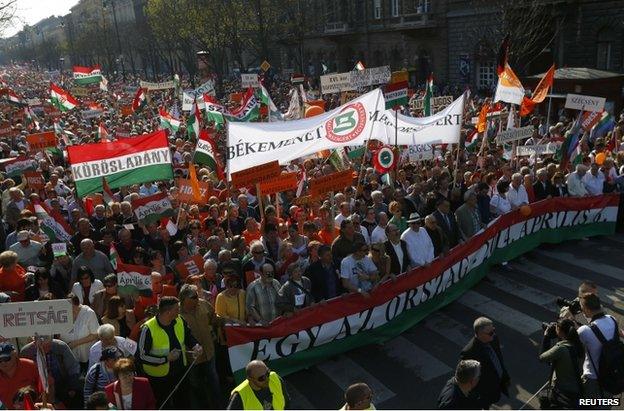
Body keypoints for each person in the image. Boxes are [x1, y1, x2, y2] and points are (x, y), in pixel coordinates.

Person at [137, 296, 202, 409]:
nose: (179, 311)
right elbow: (142, 356)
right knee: (164, 405)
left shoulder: (180, 320)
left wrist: (195, 346)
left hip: (181, 371)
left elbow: (188, 336)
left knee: (184, 403)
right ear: (168, 312)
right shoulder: (147, 328)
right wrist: (166, 359)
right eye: (177, 309)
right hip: (159, 378)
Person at [179, 284, 223, 408]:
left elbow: (214, 318)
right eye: (193, 297)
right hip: (192, 357)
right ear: (184, 299)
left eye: (197, 296)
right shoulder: (176, 313)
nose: (197, 298)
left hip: (209, 351)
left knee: (214, 382)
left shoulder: (203, 304)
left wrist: (222, 321)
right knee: (196, 385)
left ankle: (219, 407)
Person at [460, 317, 510, 408]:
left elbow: (499, 358)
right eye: (490, 333)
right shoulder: (469, 352)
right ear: (480, 334)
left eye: (493, 330)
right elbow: (467, 379)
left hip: (497, 384)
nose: (493, 334)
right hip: (485, 392)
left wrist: (504, 375)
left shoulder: (494, 338)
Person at [21, 335, 82, 408]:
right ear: (35, 343)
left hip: (62, 385)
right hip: (40, 390)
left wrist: (72, 387)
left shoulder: (60, 346)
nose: (47, 349)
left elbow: (73, 367)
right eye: (44, 347)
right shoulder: (26, 352)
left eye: (49, 345)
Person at [576, 293, 618, 399]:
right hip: (612, 375)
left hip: (592, 379)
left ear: (586, 309)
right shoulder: (612, 319)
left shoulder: (584, 330)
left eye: (581, 307)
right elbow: (597, 327)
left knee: (587, 405)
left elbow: (570, 345)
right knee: (606, 403)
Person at [538, 318, 584, 408]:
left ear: (560, 331)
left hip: (562, 391)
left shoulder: (561, 348)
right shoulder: (578, 343)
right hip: (578, 388)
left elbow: (542, 357)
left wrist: (546, 336)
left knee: (544, 399)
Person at [59, 293, 99, 371]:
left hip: (85, 357)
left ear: (77, 304)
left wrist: (75, 343)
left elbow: (95, 335)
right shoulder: (62, 312)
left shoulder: (89, 313)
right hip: (68, 356)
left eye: (71, 307)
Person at [0, 341, 40, 409]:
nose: (3, 362)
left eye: (6, 358)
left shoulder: (30, 366)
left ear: (15, 354)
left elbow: (45, 389)